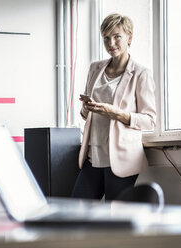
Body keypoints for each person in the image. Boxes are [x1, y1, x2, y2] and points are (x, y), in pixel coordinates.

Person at [71, 13, 156, 201]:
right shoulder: (95, 68)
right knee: (76, 209)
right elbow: (86, 115)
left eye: (117, 36)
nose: (111, 43)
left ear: (129, 37)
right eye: (106, 38)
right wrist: (87, 108)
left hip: (121, 158)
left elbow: (149, 120)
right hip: (92, 155)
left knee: (115, 216)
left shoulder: (141, 74)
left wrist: (115, 113)